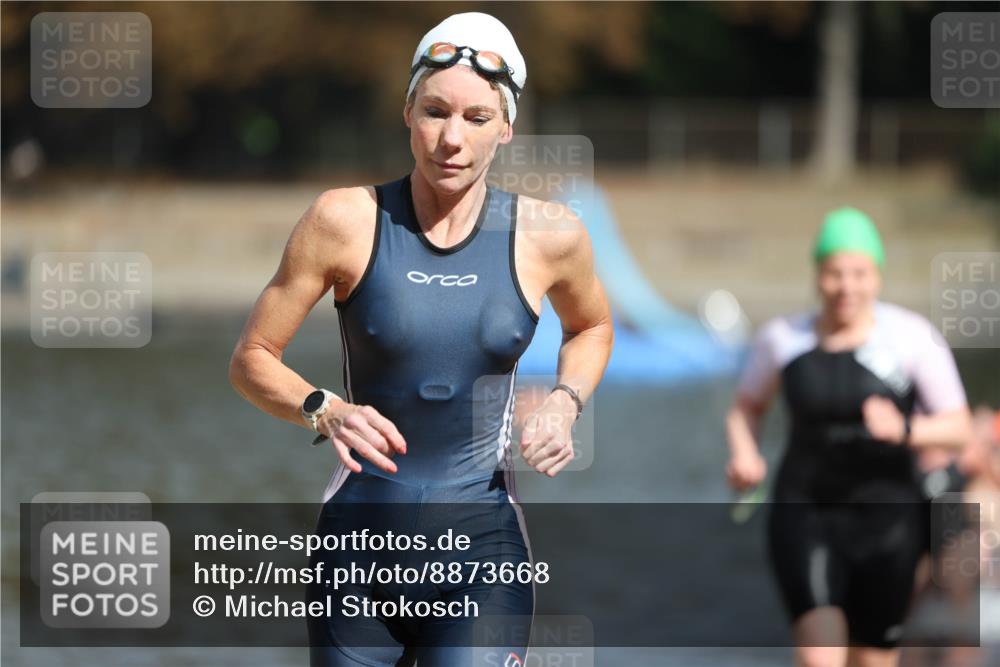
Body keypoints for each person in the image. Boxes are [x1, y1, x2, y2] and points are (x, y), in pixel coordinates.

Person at [228, 12, 613, 667]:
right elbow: (251, 359)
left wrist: (565, 401)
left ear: (507, 127)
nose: (451, 139)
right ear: (408, 112)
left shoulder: (550, 235)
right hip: (356, 553)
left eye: (476, 118)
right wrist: (325, 408)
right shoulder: (344, 220)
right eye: (435, 111)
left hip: (483, 555)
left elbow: (593, 326)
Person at [725, 207, 972, 667]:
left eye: (859, 273)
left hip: (890, 524)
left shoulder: (913, 338)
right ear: (817, 274)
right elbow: (746, 407)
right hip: (805, 514)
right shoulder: (783, 338)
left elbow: (958, 427)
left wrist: (903, 429)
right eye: (834, 273)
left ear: (877, 276)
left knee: (872, 661)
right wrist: (745, 454)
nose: (846, 287)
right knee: (821, 657)